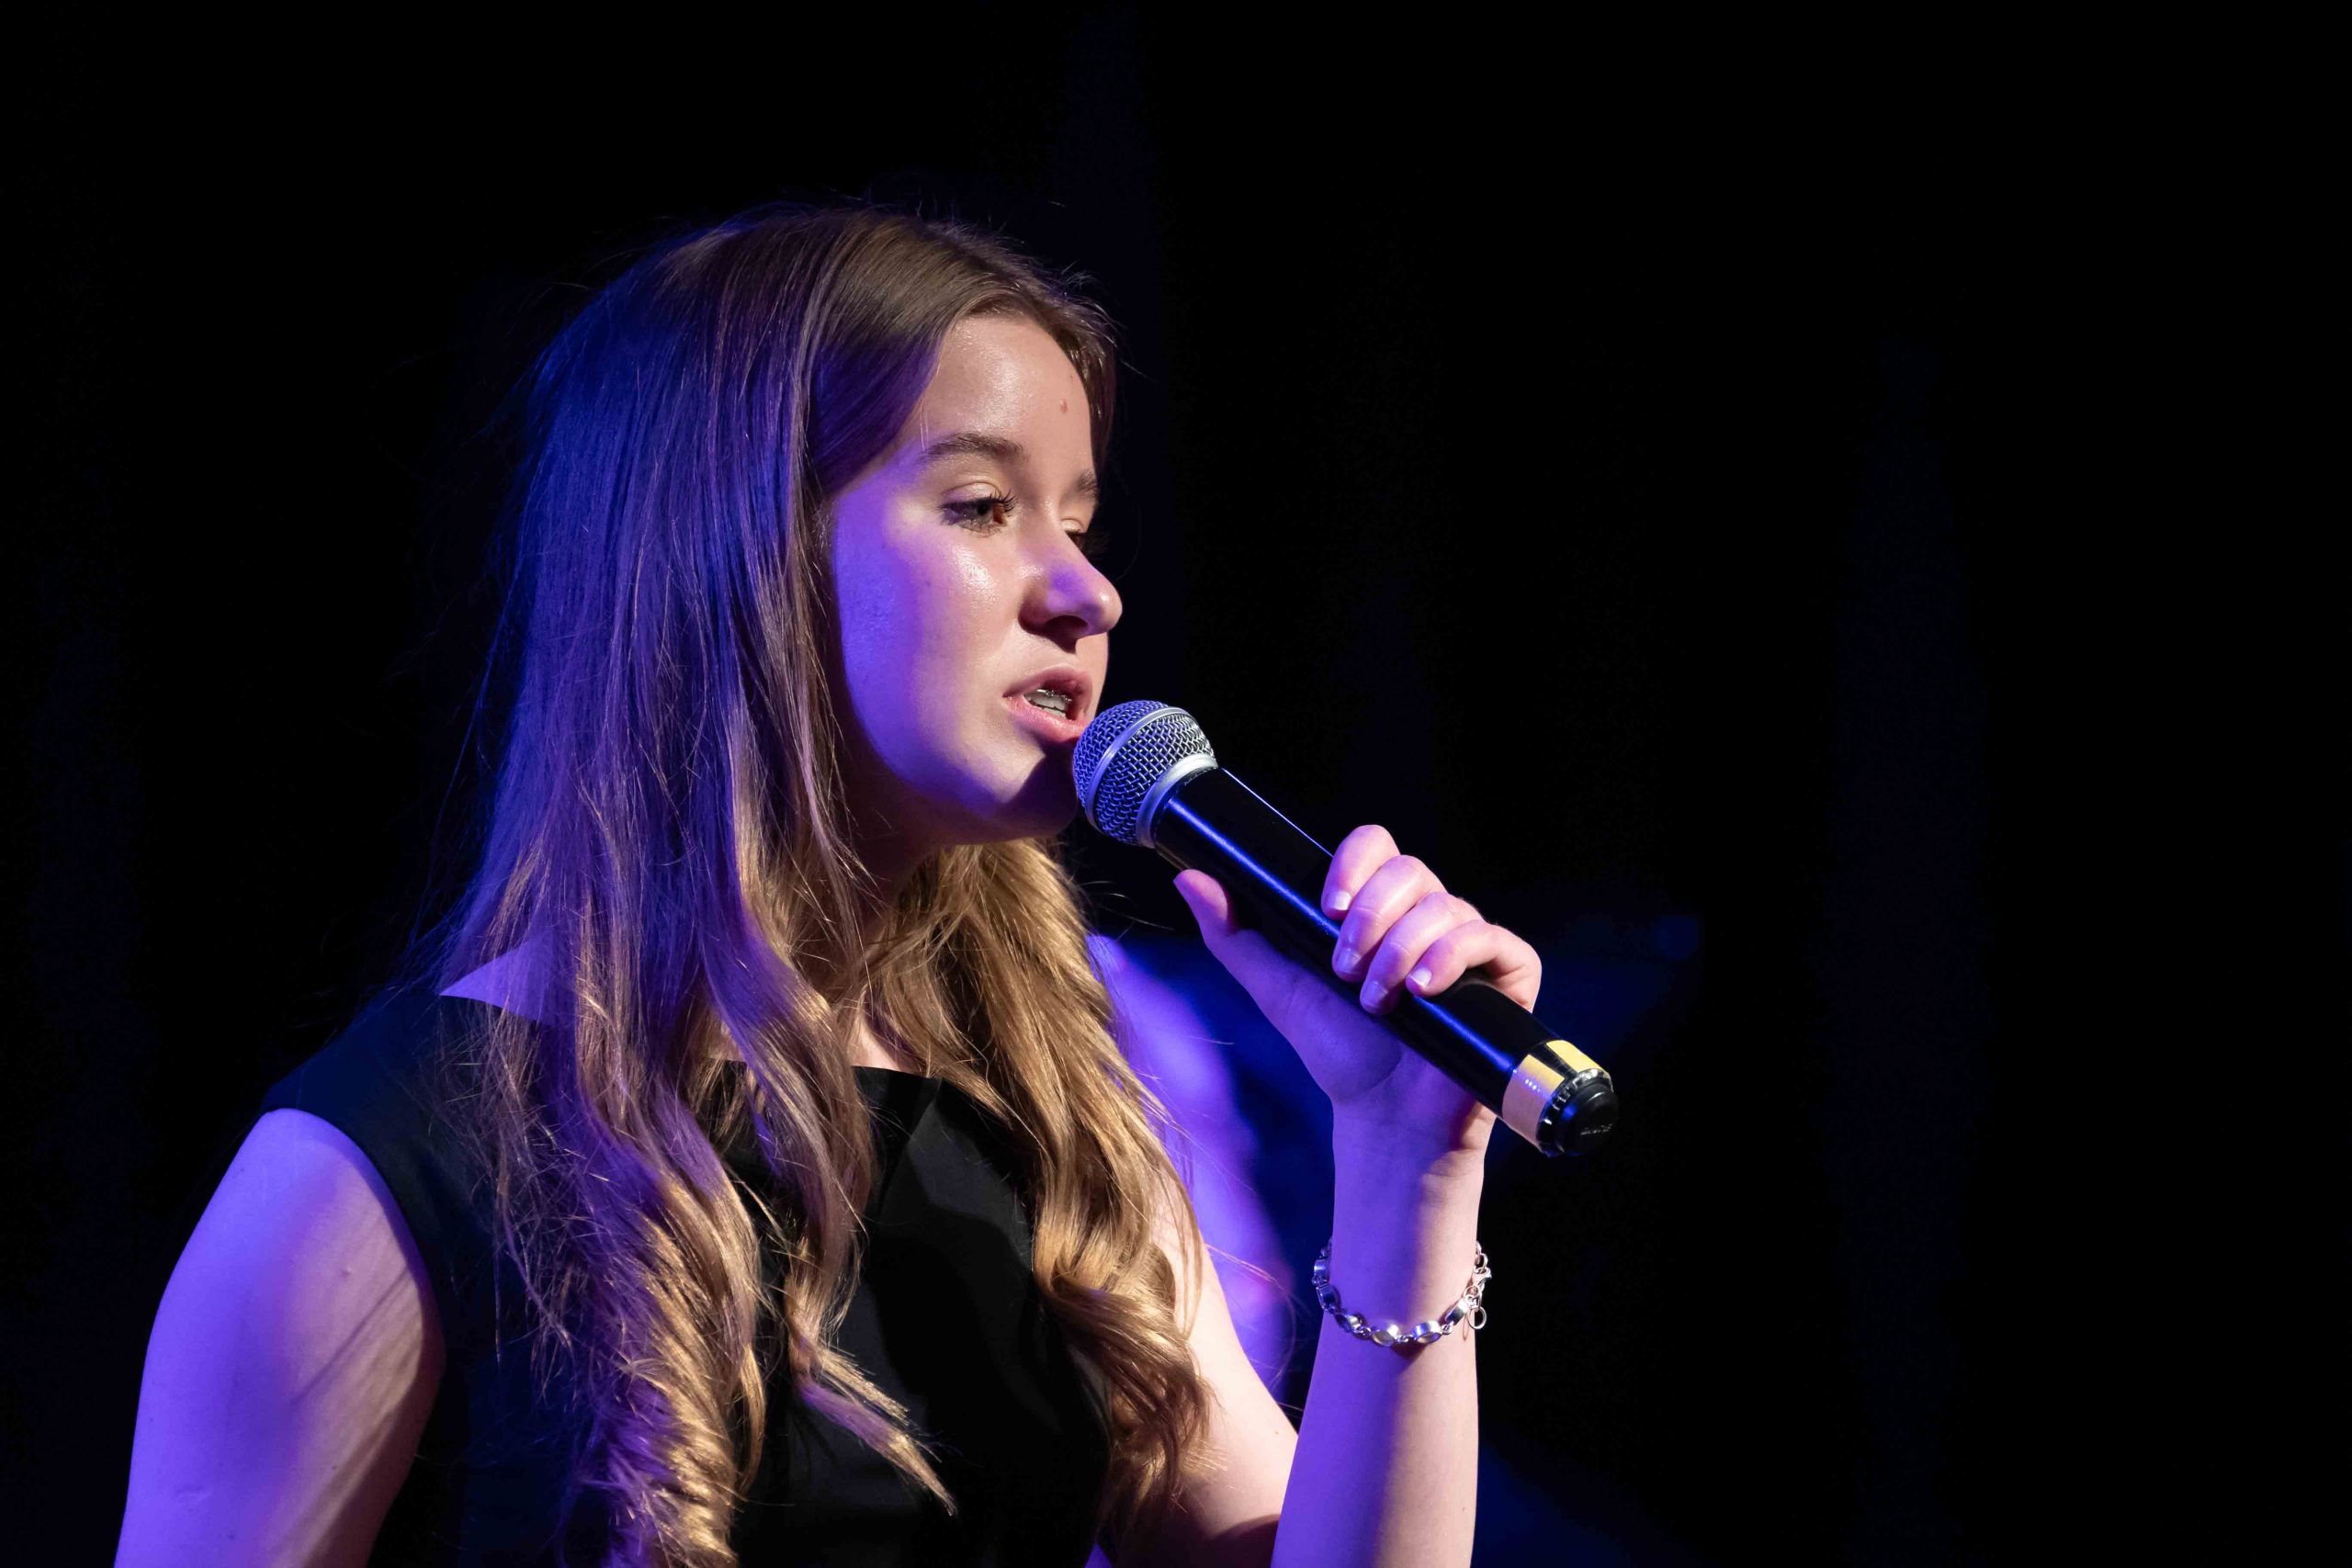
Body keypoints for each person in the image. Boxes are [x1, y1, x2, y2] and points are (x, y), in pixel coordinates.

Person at [116, 201, 1544, 1567]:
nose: (1088, 593)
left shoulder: (1047, 1126)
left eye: (1080, 522)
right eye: (982, 506)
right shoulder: (390, 1161)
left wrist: (1405, 1160)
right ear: (739, 559)